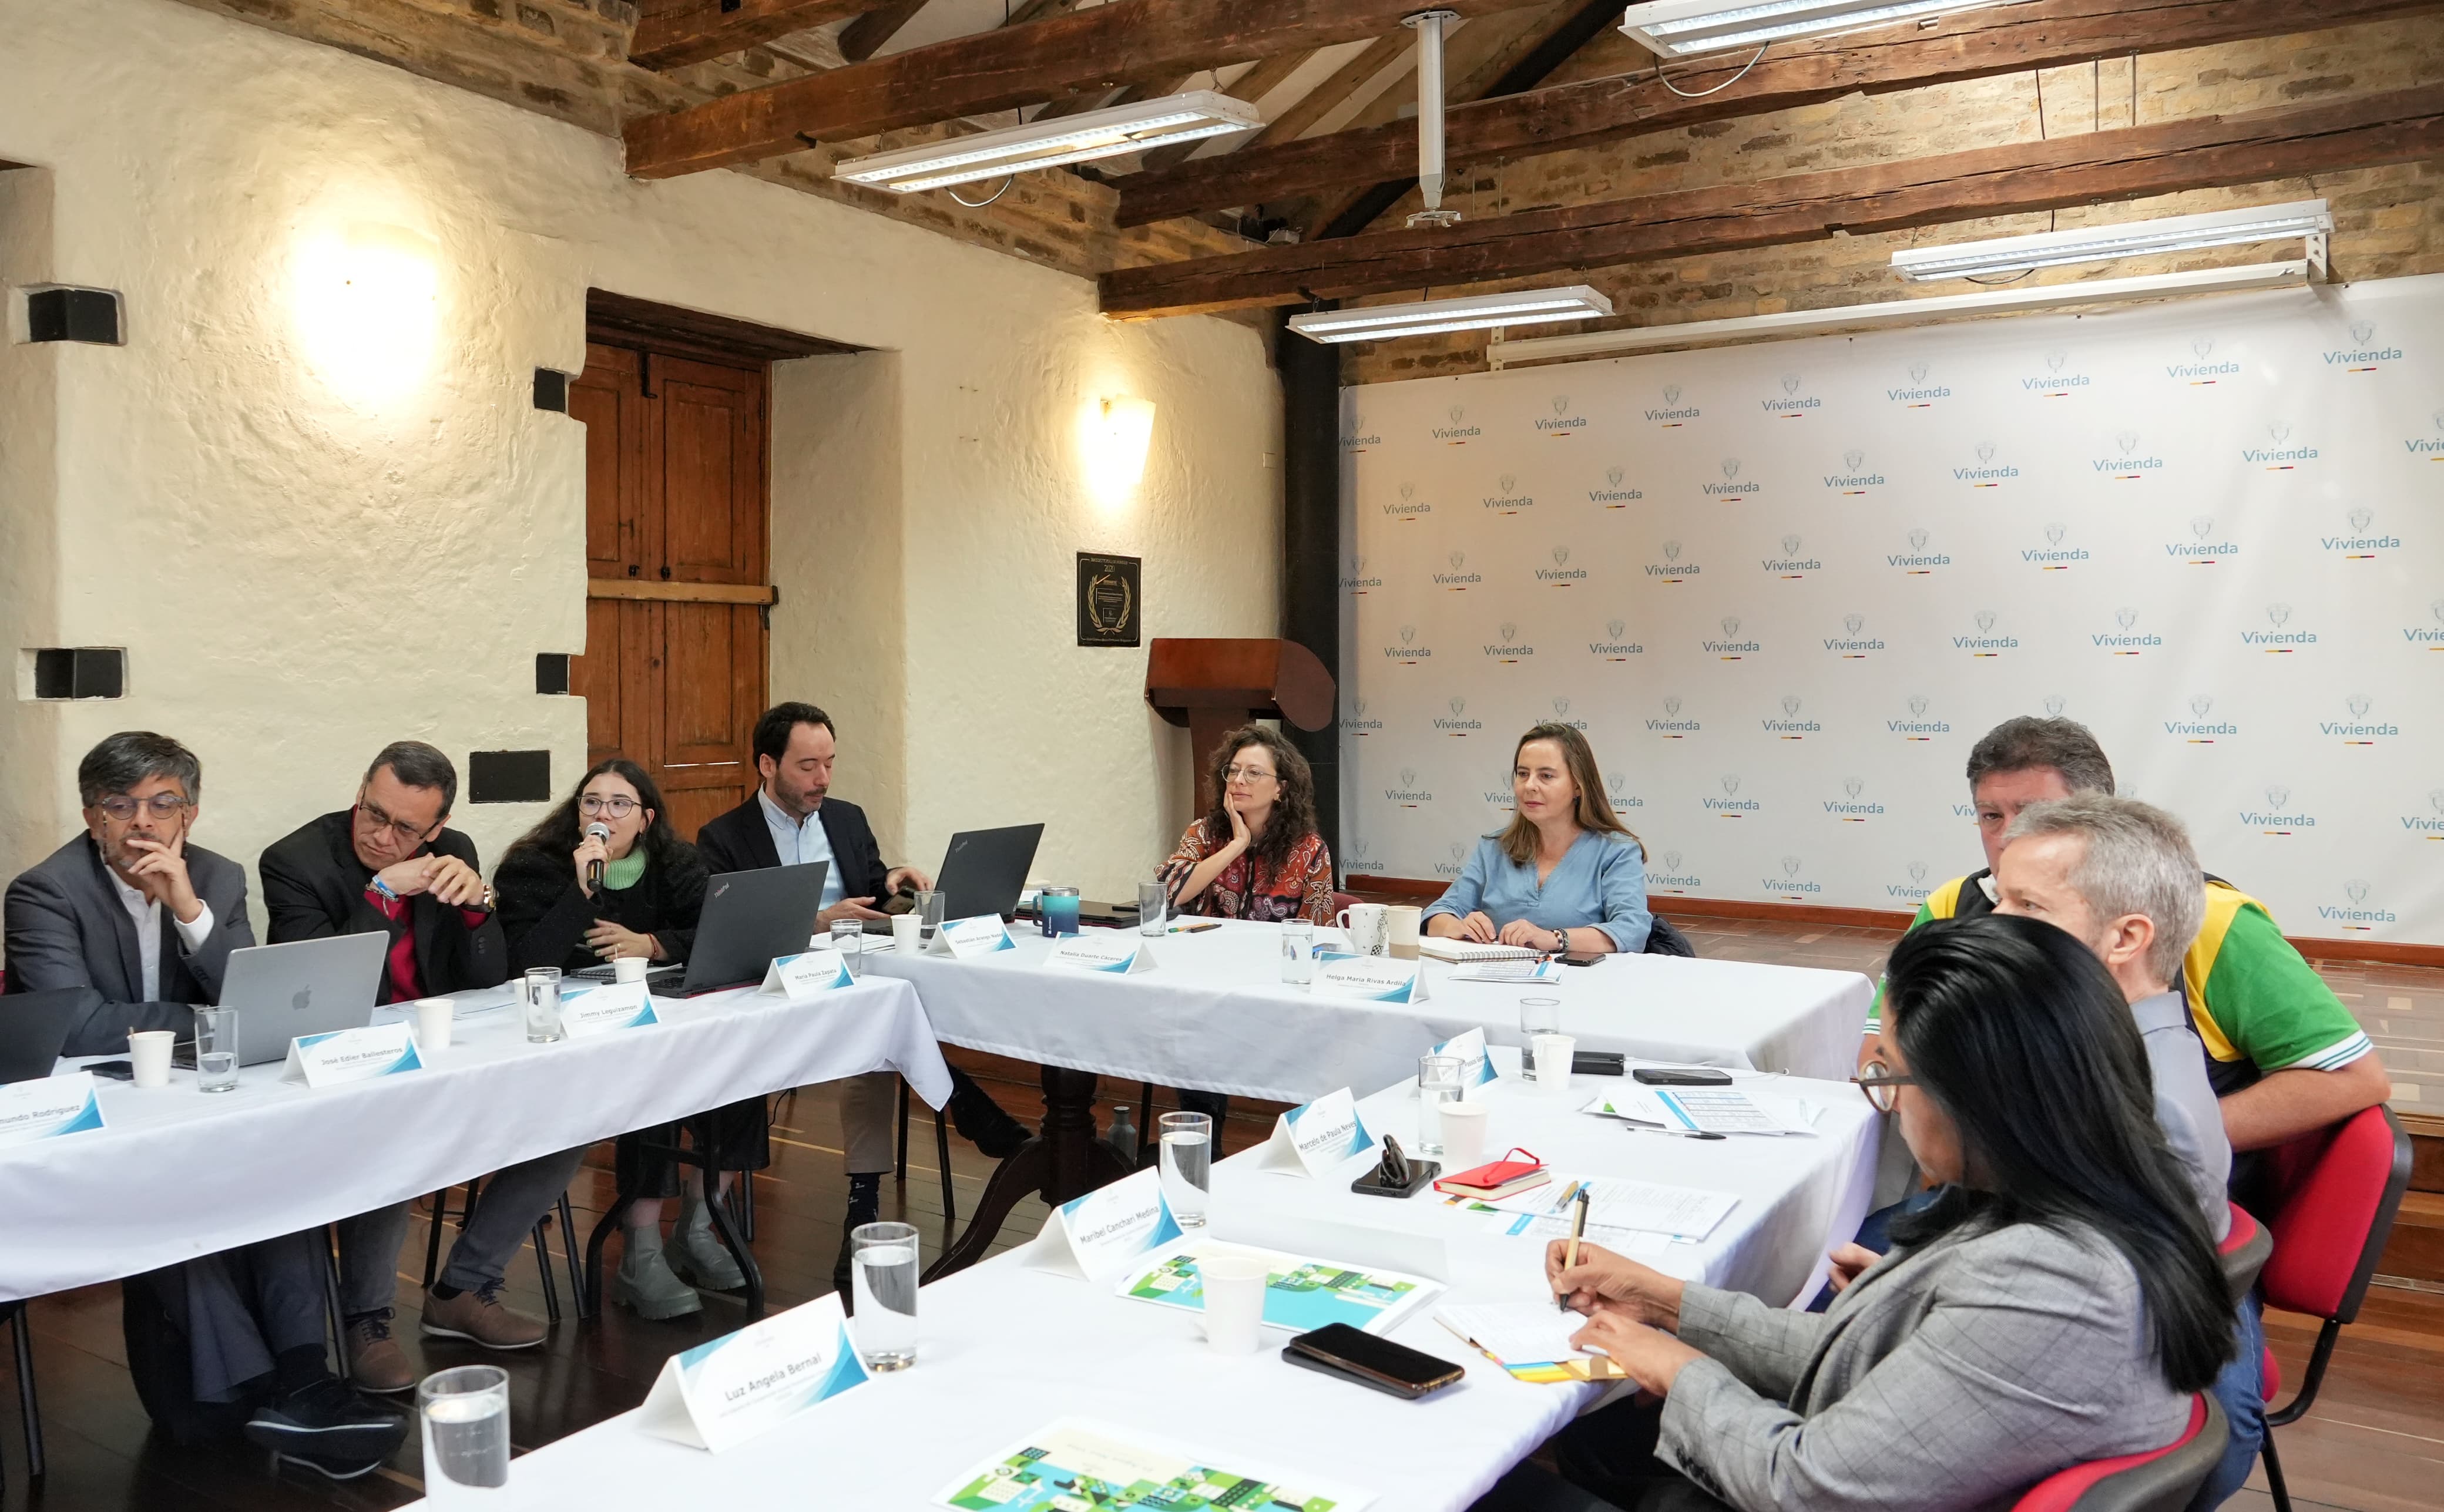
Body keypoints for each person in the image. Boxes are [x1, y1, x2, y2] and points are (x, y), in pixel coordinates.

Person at [1479, 915, 2234, 1512]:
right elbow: (1866, 1363)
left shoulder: (2049, 1281)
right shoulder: (2084, 1201)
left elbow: (1805, 1486)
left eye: (1892, 1076)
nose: (1890, 1104)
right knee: (1602, 1436)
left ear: (1980, 1099)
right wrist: (1665, 1300)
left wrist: (1679, 1369)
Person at [4, 733, 404, 1479]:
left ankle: (304, 1373)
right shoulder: (44, 891)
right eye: (120, 806)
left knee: (281, 1169)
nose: (142, 823)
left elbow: (252, 992)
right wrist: (214, 1022)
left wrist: (188, 911)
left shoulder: (215, 878)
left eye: (163, 805)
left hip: (197, 1096)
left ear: (189, 813)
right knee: (162, 1203)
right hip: (94, 1114)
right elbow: (78, 1024)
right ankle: (267, 1390)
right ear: (91, 816)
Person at [1868, 715, 2387, 1152]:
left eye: (2036, 816)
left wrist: (2147, 1143)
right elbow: (1880, 1046)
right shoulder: (1952, 906)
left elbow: (2352, 1077)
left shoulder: (2215, 921)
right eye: (1990, 816)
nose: (2006, 838)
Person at [259, 742, 580, 1391]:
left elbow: (487, 977)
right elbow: (314, 989)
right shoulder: (296, 861)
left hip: (442, 1048)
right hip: (348, 1059)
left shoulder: (453, 850)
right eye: (373, 813)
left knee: (568, 1117)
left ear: (436, 828)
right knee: (397, 1132)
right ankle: (366, 1319)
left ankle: (464, 1287)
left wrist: (479, 906)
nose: (382, 836)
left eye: (406, 828)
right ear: (360, 792)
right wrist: (380, 894)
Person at [693, 701, 1030, 1292]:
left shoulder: (846, 819)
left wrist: (894, 881)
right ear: (767, 765)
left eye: (829, 763)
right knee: (878, 1020)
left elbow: (871, 890)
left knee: (882, 1016)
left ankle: (865, 1198)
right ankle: (976, 1122)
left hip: (857, 973)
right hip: (779, 983)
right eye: (807, 767)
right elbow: (730, 933)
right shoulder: (725, 838)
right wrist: (817, 922)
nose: (823, 779)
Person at [1984, 794, 2261, 1506]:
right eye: (1999, 898)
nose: (1994, 924)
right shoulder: (2116, 1054)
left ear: (2125, 938)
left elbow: (2074, 1331)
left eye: (2027, 906)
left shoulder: (2142, 1114)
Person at [494, 759, 724, 1321]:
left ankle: (700, 1227)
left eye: (621, 804)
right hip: (564, 1029)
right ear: (578, 815)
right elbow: (525, 963)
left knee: (736, 1064)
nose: (604, 815)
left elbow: (718, 929)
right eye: (592, 803)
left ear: (646, 819)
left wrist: (653, 944)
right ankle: (641, 1251)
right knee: (650, 1076)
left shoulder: (675, 862)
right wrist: (581, 891)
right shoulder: (533, 866)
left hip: (656, 1013)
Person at [1424, 723, 1651, 955]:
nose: (1530, 786)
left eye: (1546, 776)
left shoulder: (1617, 851)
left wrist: (1554, 938)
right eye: (1523, 774)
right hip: (1498, 974)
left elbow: (1632, 929)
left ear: (1578, 786)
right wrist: (1458, 926)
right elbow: (1438, 914)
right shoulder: (1494, 847)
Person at [1157, 724, 1335, 926]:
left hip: (1277, 947)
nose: (1239, 780)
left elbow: (1320, 932)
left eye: (1254, 773)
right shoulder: (1204, 833)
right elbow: (1167, 895)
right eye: (1234, 771)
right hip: (1209, 945)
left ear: (1280, 788)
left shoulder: (1309, 850)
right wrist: (1238, 844)